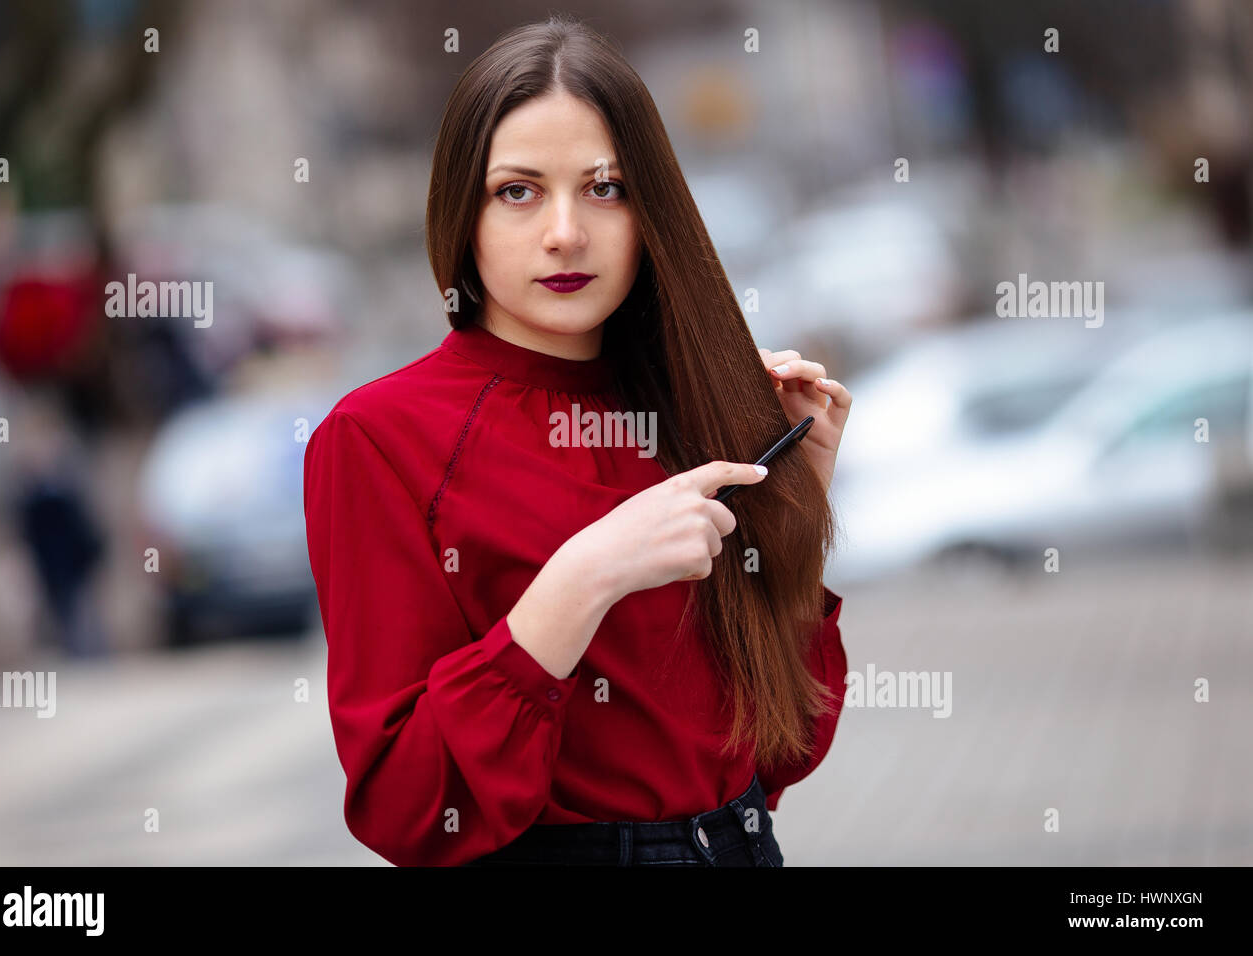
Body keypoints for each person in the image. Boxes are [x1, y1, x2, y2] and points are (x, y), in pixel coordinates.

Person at [302, 14, 852, 867]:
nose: (565, 232)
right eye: (517, 191)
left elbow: (782, 751)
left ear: (650, 212)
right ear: (462, 212)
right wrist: (577, 584)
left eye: (605, 189)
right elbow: (407, 809)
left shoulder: (699, 410)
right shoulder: (379, 438)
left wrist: (798, 507)